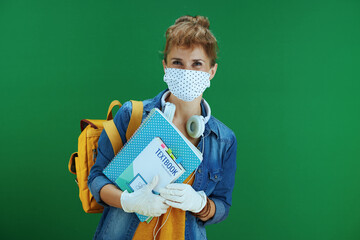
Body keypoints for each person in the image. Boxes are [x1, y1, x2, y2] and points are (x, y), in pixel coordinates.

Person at [88, 15, 237, 240]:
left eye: (197, 64)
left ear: (212, 71)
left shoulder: (223, 140)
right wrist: (127, 201)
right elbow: (96, 178)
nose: (187, 72)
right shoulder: (132, 116)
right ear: (165, 67)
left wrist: (200, 203)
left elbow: (222, 205)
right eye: (177, 62)